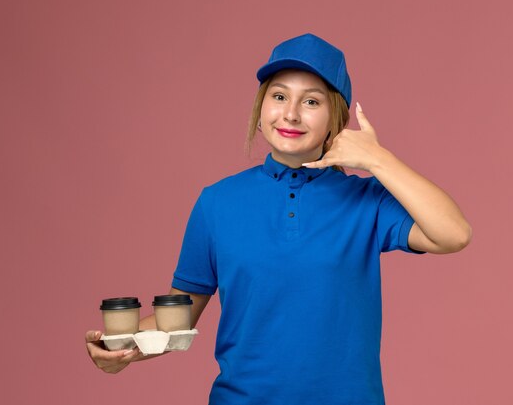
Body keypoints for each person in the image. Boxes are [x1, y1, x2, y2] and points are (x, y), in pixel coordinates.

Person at [85, 33, 472, 404]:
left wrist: (378, 159)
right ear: (261, 107)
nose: (290, 113)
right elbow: (178, 319)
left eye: (311, 102)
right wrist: (122, 349)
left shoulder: (365, 201)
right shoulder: (217, 202)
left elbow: (453, 234)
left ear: (335, 119)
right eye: (279, 96)